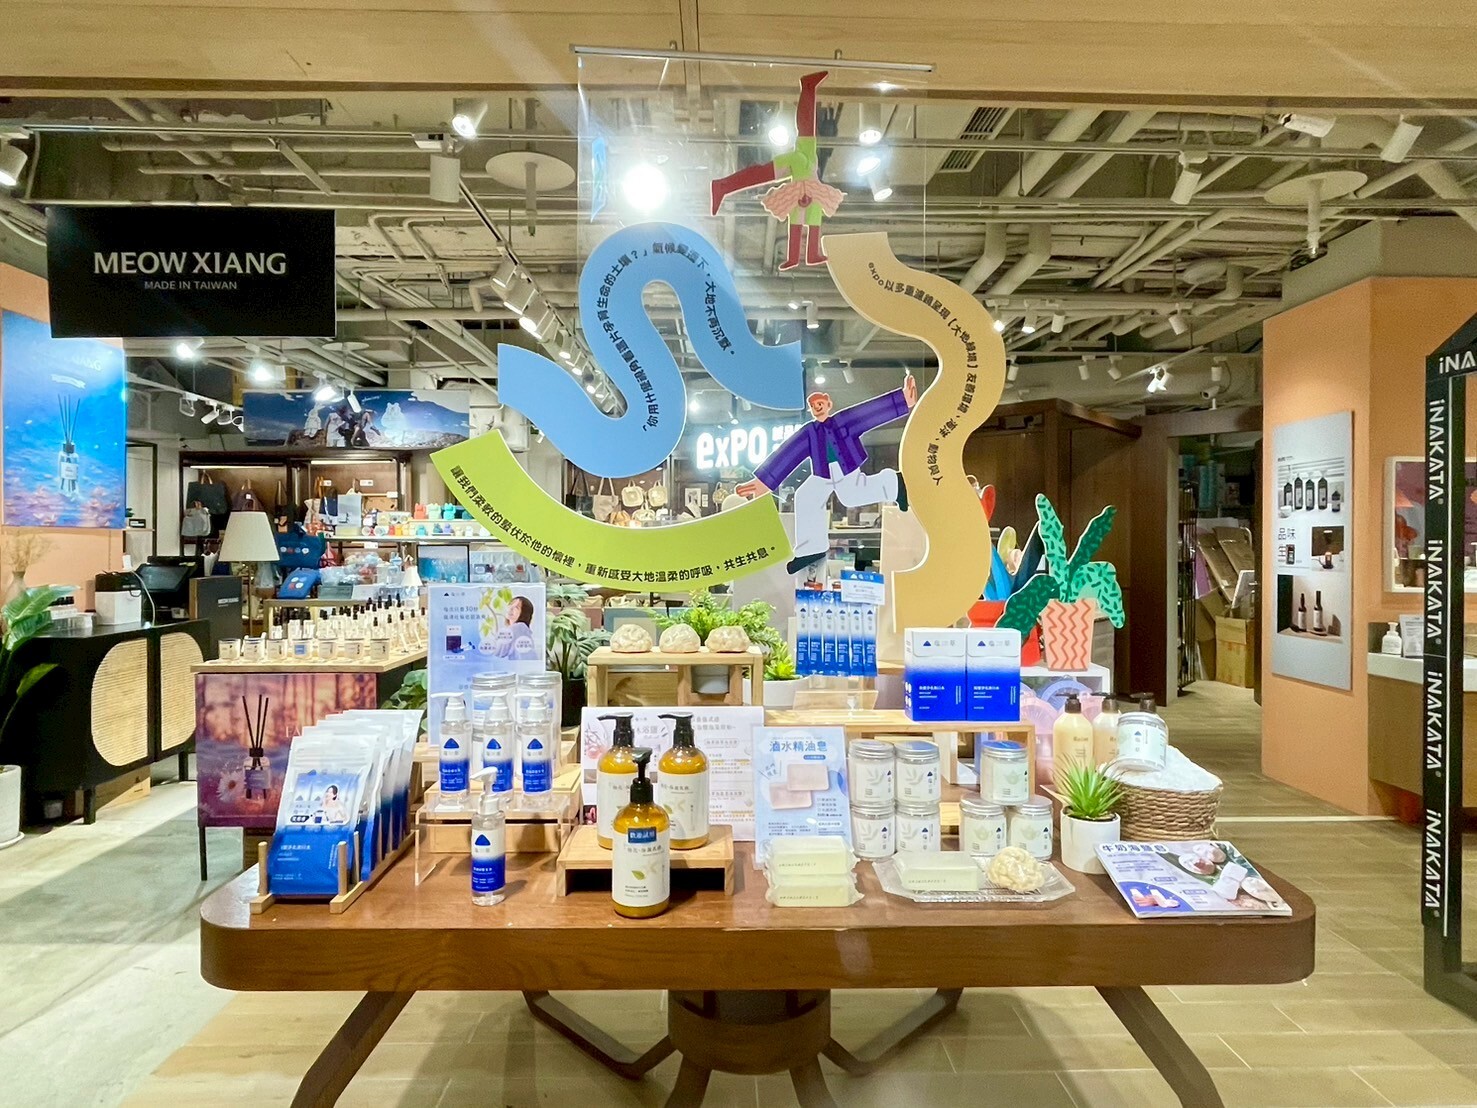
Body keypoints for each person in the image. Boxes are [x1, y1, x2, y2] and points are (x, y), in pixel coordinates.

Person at [737, 374, 918, 573]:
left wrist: (902, 400)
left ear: (828, 404)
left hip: (845, 466)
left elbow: (867, 414)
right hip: (823, 473)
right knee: (805, 496)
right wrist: (765, 481)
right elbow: (789, 453)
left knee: (851, 496)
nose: (817, 407)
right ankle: (811, 550)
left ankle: (894, 483)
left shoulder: (842, 421)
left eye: (820, 403)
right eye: (813, 406)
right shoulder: (810, 432)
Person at [710, 71, 844, 270]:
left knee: (766, 170)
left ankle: (723, 186)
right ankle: (723, 186)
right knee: (799, 140)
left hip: (802, 170)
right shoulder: (813, 196)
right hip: (803, 170)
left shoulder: (809, 196)